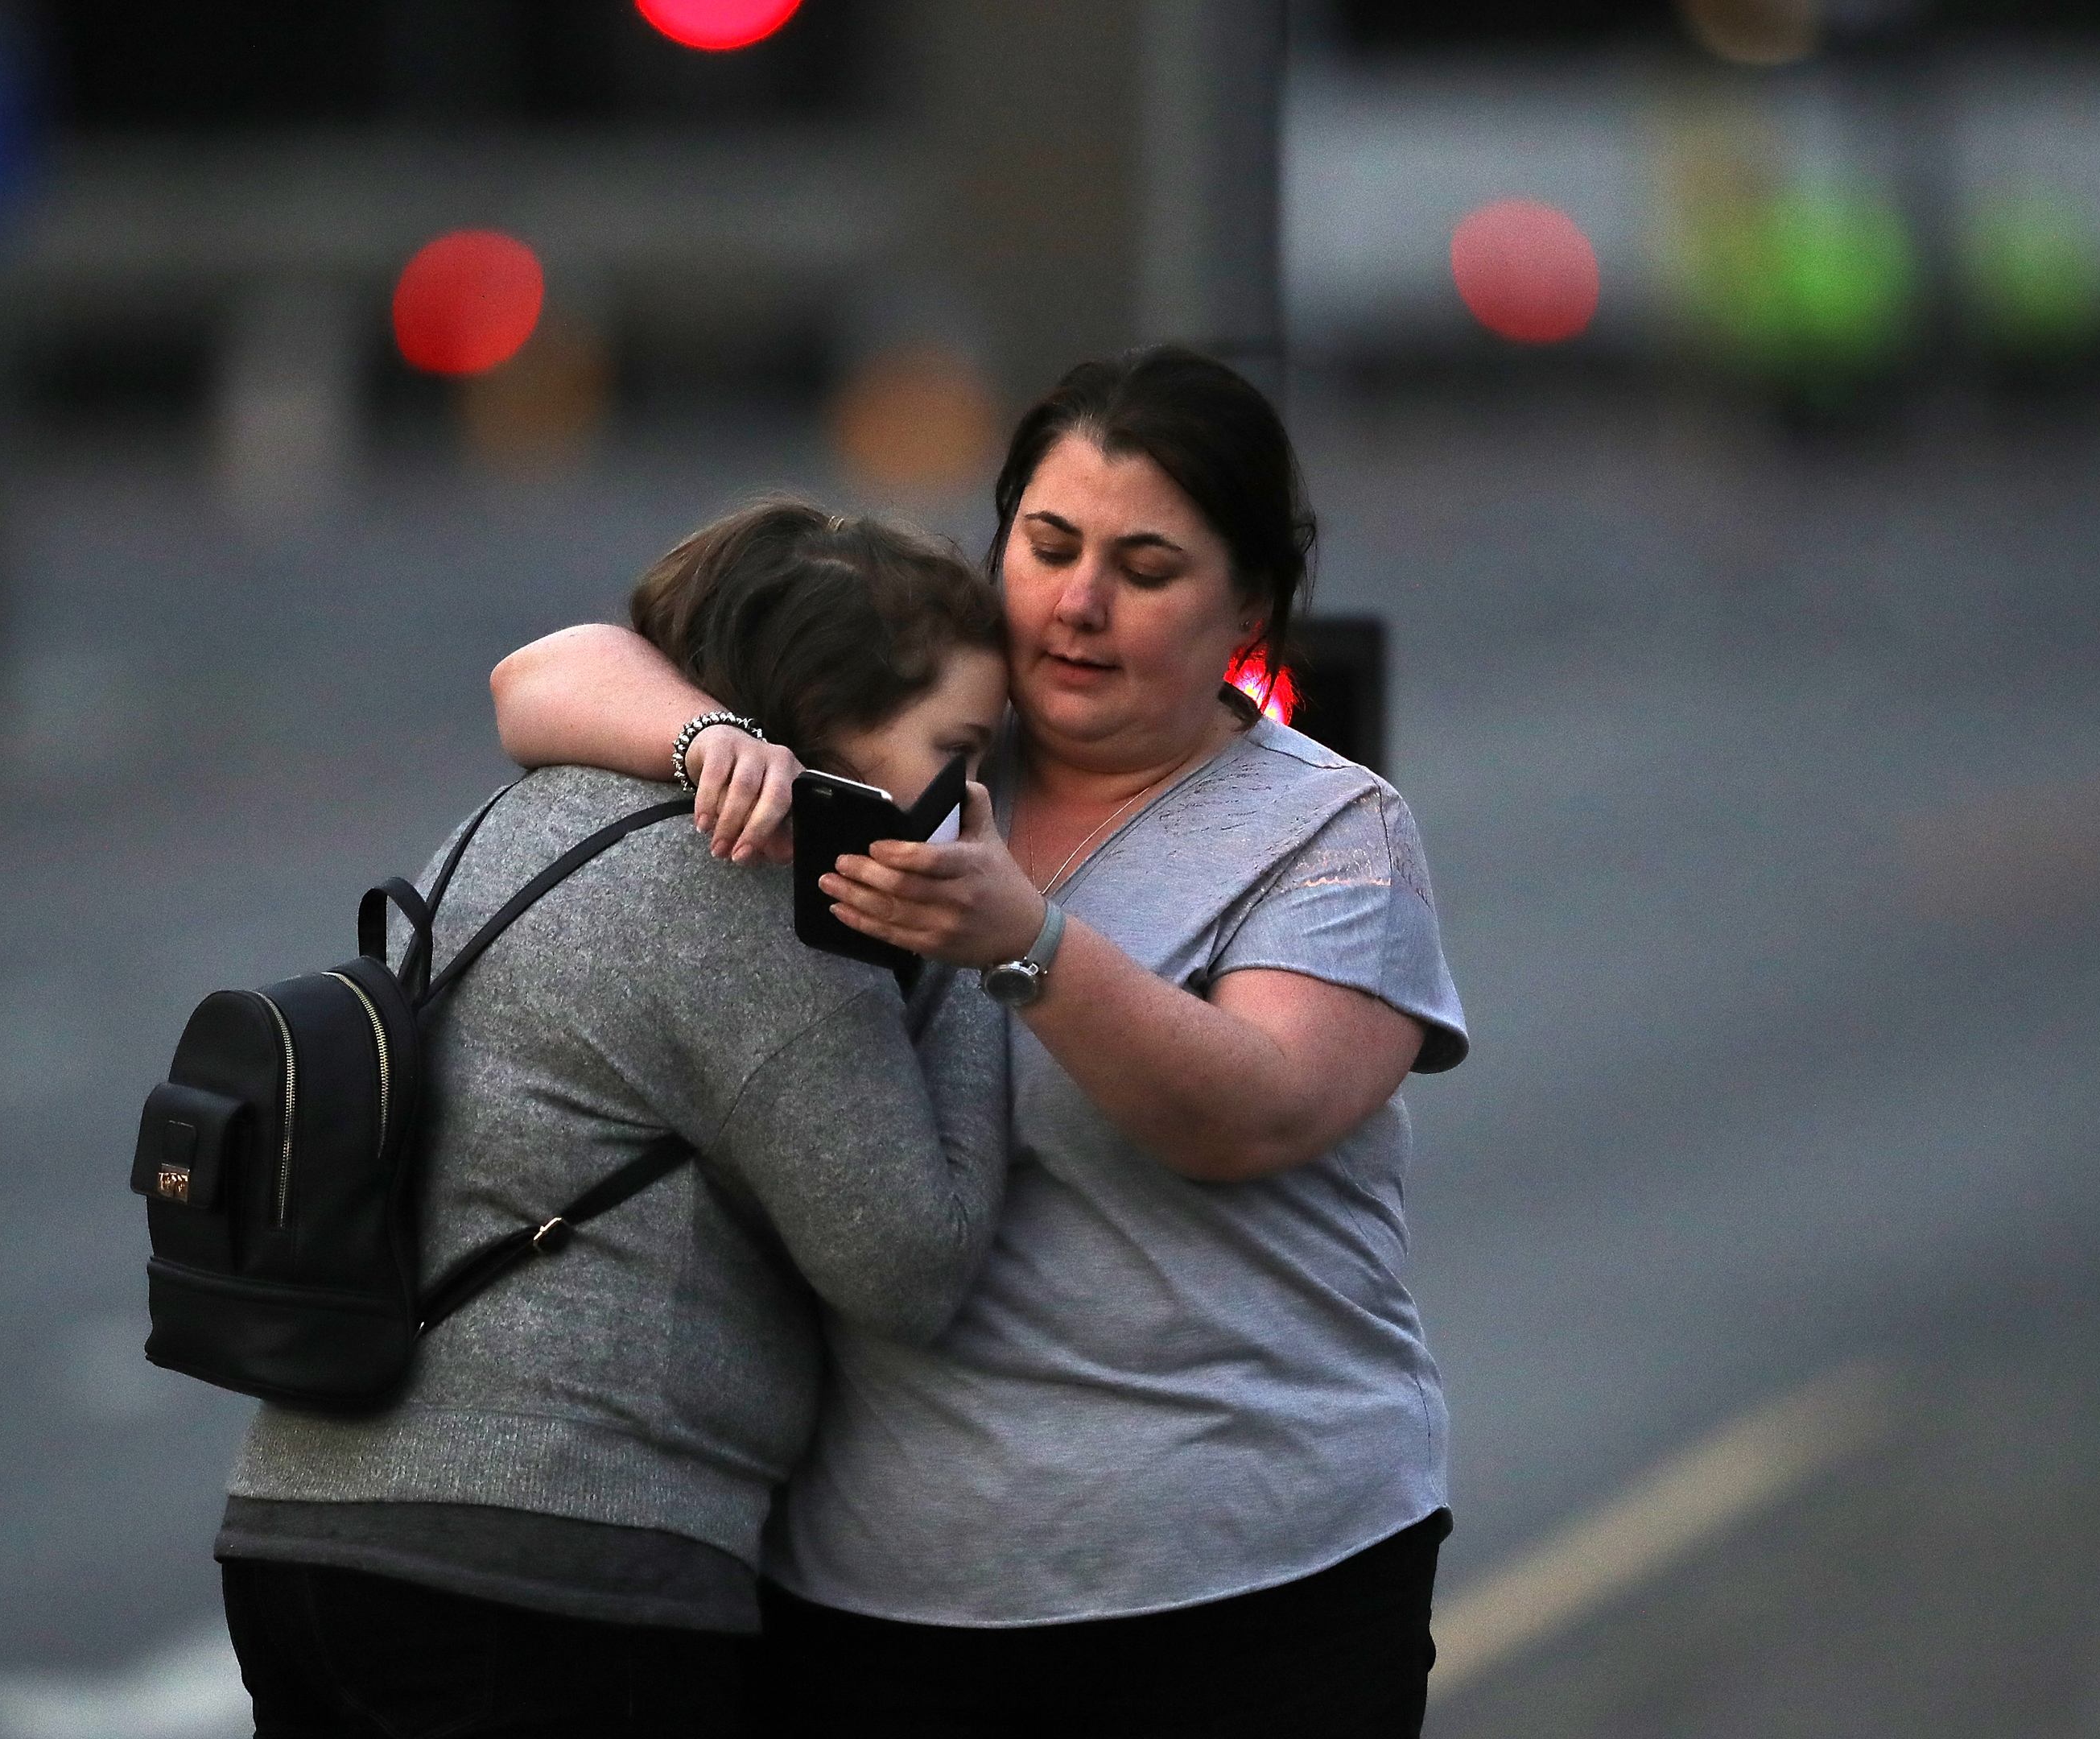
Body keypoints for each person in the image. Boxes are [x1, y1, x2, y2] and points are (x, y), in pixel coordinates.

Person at [487, 345, 1473, 1737]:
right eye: (1049, 544)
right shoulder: (915, 739)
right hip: (877, 1604)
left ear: (1249, 602)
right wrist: (710, 736)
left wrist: (1030, 942)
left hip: (1253, 1585)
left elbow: (1255, 1114)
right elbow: (546, 674)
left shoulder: (1329, 829)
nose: (1079, 603)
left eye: (1147, 568)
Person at [216, 500, 1014, 1737]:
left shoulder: (520, 815)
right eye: (957, 753)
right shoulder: (747, 900)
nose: (970, 800)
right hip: (544, 1573)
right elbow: (910, 1261)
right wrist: (975, 953)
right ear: (828, 723)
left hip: (300, 1527)